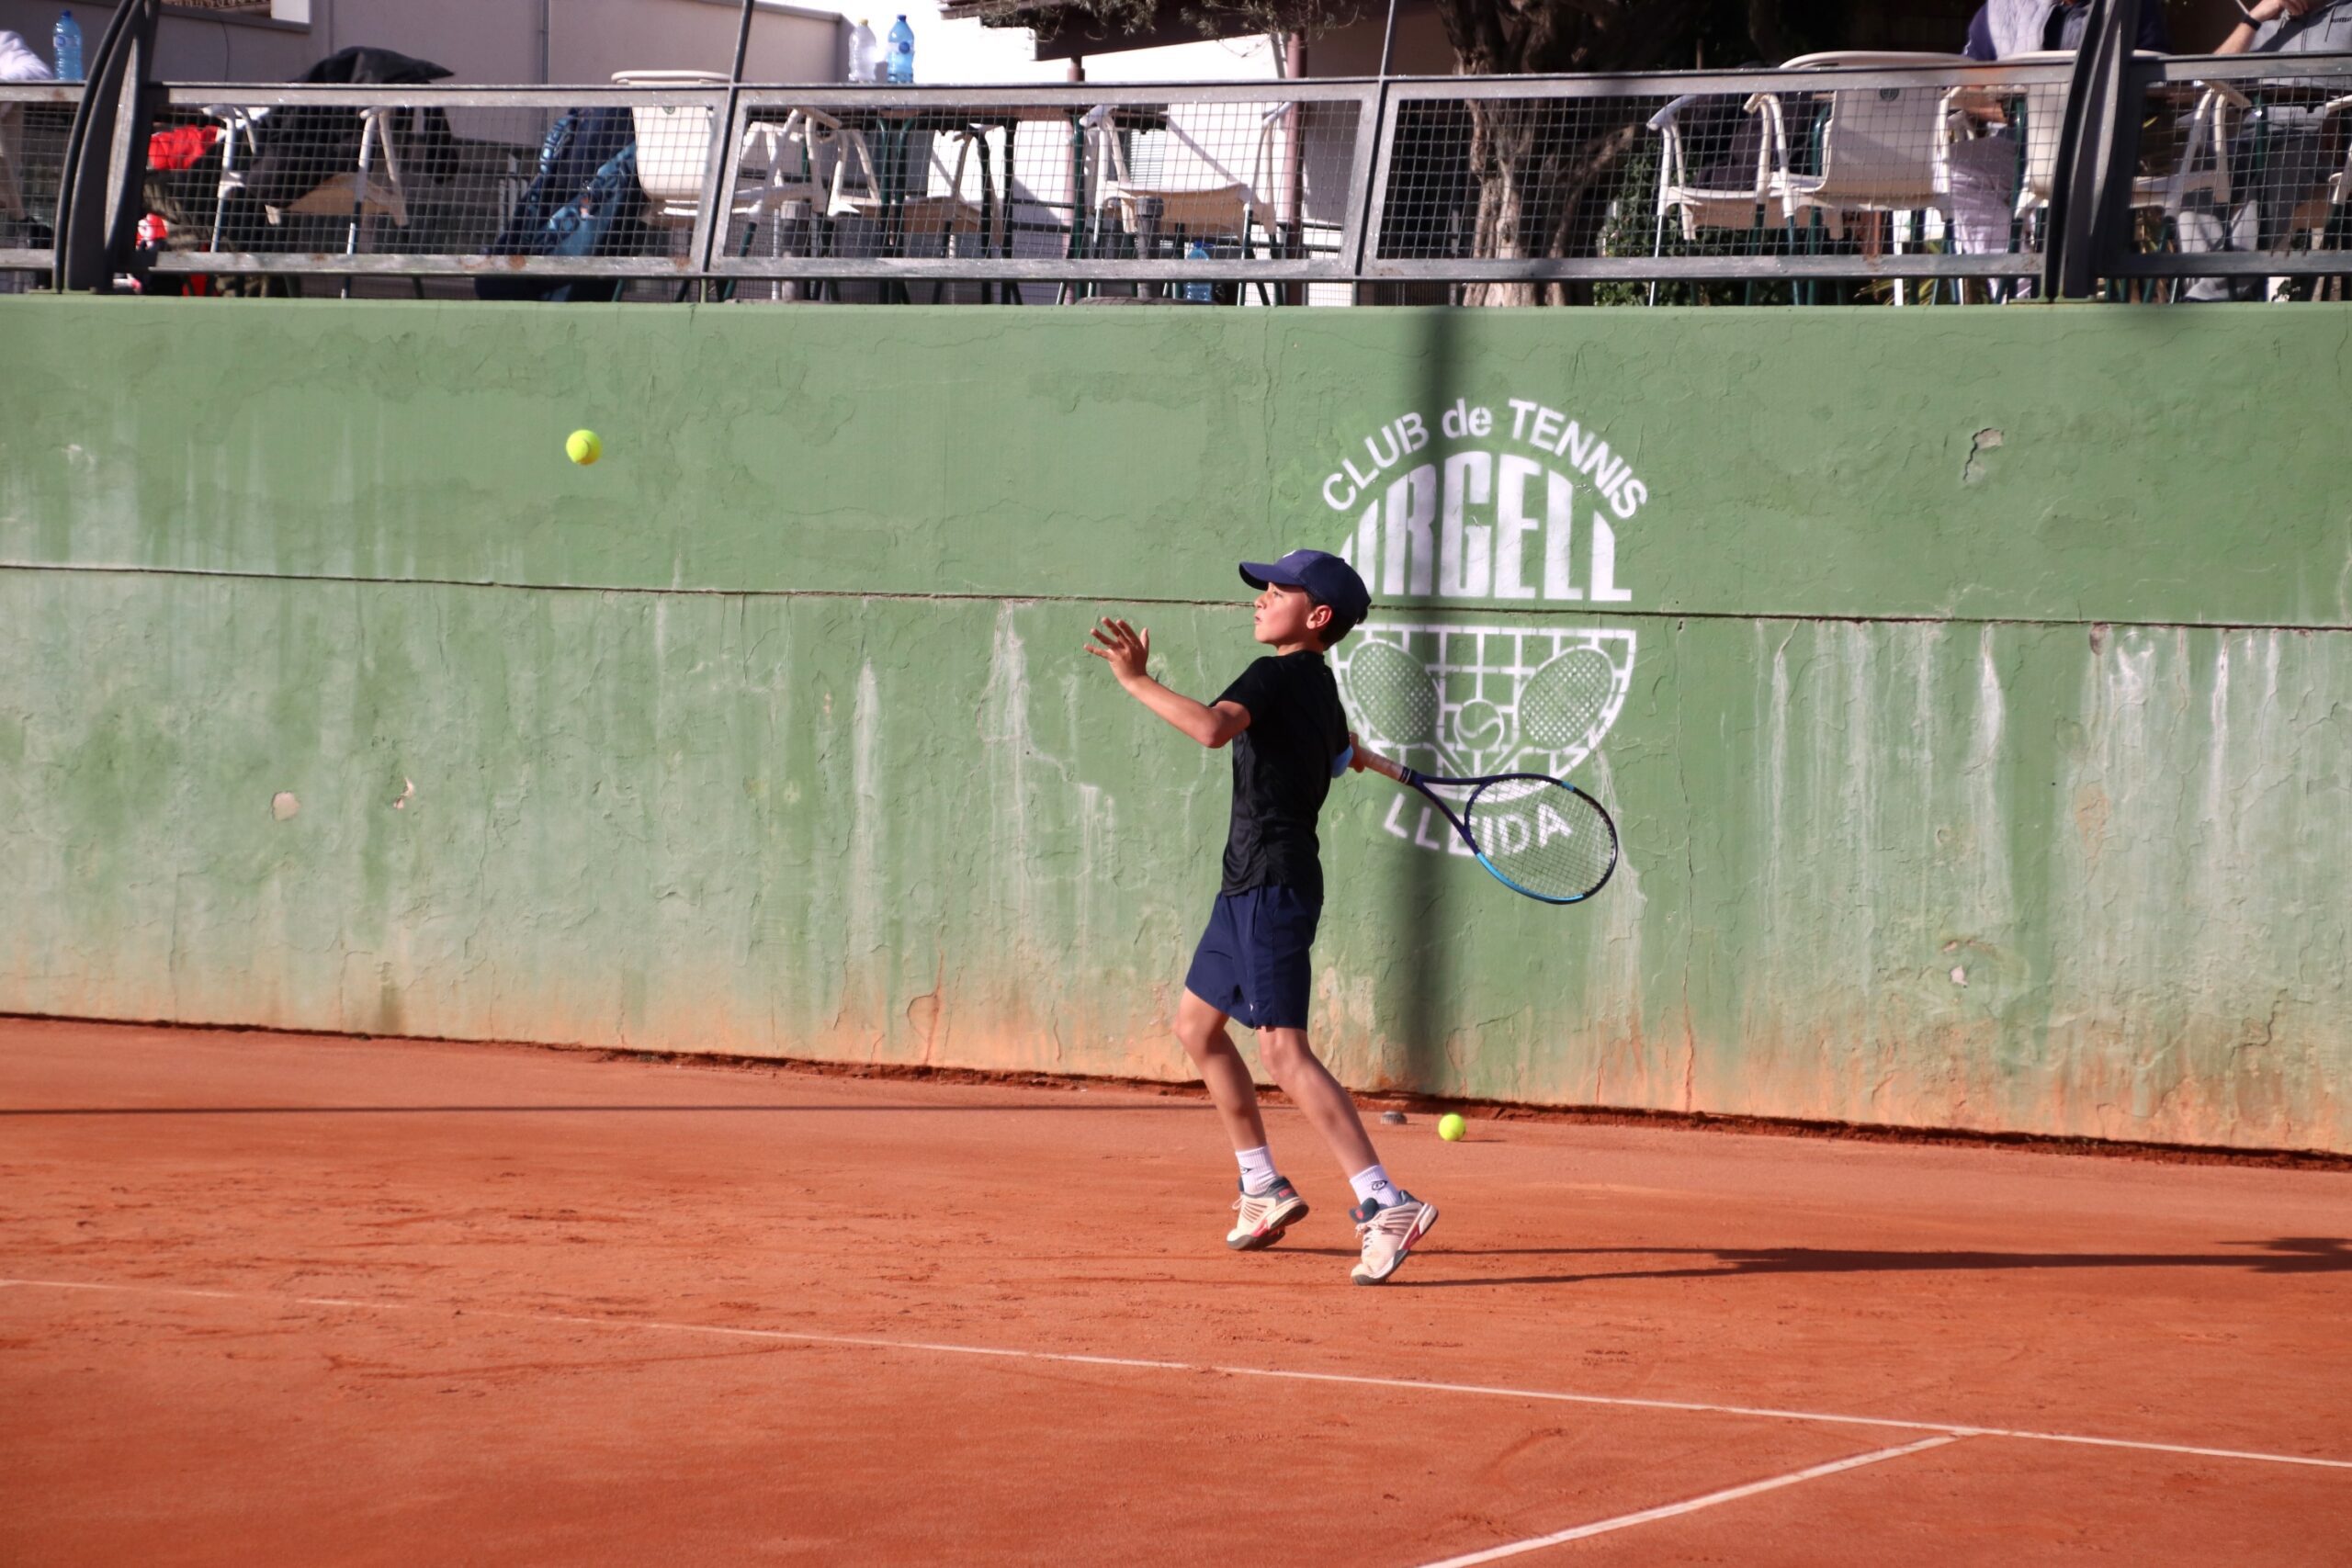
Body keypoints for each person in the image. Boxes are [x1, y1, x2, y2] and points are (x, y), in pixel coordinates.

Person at [1084, 550, 1439, 1285]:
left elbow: (1214, 729)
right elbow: (1337, 756)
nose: (1261, 598)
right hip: (1248, 882)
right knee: (1197, 1026)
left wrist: (1137, 681)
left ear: (1317, 616)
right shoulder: (1321, 688)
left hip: (1271, 882)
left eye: (1278, 590)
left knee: (1281, 1050)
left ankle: (1385, 1201)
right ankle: (1262, 1185)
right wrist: (1356, 754)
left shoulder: (1273, 676)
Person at [1948, 0, 2174, 291]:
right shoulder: (2001, 10)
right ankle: (2018, 288)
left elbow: (2156, 86)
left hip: (2103, 152)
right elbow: (1966, 85)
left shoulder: (2132, 7)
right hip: (2018, 148)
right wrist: (2015, 112)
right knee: (1954, 169)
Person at [2179, 0, 2352, 299]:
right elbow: (2206, 80)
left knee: (2279, 174)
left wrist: (2340, 116)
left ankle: (2210, 296)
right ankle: (2215, 289)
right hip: (2253, 136)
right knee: (2200, 164)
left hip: (2317, 138)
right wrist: (2255, 17)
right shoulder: (2265, 23)